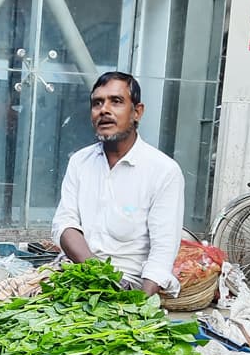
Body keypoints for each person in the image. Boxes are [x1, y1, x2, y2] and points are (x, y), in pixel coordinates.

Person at [51, 71, 185, 297]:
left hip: (129, 285)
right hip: (78, 274)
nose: (104, 110)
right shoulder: (80, 162)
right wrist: (100, 274)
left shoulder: (164, 171)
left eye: (116, 101)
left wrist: (137, 304)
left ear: (137, 112)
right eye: (97, 103)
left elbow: (163, 251)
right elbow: (65, 224)